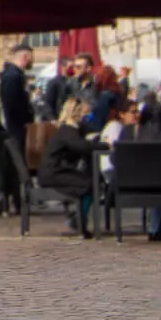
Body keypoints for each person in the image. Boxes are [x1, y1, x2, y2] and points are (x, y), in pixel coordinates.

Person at [37, 97, 97, 237]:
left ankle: (78, 219)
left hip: (56, 171)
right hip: (53, 174)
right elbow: (82, 146)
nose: (87, 115)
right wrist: (105, 144)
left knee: (89, 181)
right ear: (76, 113)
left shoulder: (69, 129)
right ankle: (80, 222)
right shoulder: (68, 131)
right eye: (84, 112)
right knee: (89, 184)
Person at [0, 42, 34, 154]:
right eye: (31, 58)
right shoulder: (12, 76)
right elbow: (11, 102)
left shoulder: (17, 75)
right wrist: (25, 116)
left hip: (19, 128)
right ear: (24, 57)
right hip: (16, 130)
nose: (33, 61)